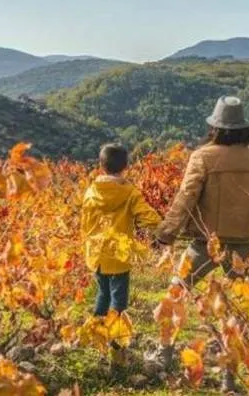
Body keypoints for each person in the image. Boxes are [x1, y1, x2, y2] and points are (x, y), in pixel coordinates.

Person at [154, 96, 249, 391]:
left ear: (215, 127)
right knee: (238, 311)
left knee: (175, 292)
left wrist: (166, 232)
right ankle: (228, 378)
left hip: (205, 242)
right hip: (243, 243)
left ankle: (164, 352)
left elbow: (185, 198)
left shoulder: (203, 157)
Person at [80, 143, 161, 365]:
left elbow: (86, 226)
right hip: (119, 258)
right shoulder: (130, 193)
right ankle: (116, 350)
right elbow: (150, 219)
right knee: (119, 303)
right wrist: (164, 230)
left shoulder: (91, 192)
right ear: (126, 166)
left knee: (102, 295)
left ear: (100, 165)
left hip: (97, 256)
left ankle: (96, 337)